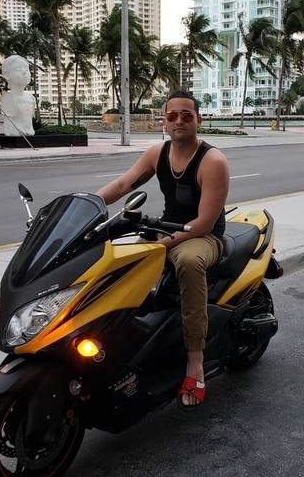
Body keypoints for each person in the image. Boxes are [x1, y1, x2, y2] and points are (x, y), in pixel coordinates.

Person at [96, 90, 229, 409]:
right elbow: (122, 185)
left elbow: (204, 223)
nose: (179, 120)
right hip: (166, 228)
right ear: (164, 121)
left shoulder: (212, 161)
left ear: (198, 120)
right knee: (119, 260)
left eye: (186, 115)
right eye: (172, 116)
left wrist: (160, 245)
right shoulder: (158, 154)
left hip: (203, 235)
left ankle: (195, 360)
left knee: (188, 263)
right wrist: (84, 205)